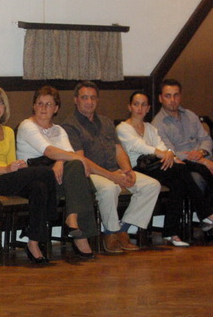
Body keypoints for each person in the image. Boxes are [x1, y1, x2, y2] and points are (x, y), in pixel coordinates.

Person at [117, 91, 213, 246]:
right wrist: (166, 154)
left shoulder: (150, 128)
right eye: (136, 104)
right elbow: (140, 146)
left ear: (148, 108)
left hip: (156, 166)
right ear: (129, 107)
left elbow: (162, 146)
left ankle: (170, 232)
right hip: (138, 169)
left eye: (144, 105)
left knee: (179, 181)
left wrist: (172, 156)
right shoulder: (123, 128)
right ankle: (207, 213)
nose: (140, 108)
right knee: (182, 170)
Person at [62, 81, 161, 254]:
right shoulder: (70, 125)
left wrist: (127, 170)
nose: (89, 102)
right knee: (109, 188)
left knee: (152, 185)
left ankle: (123, 229)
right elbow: (81, 160)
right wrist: (111, 176)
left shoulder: (106, 122)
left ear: (97, 100)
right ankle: (110, 233)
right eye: (84, 98)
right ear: (76, 100)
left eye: (93, 98)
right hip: (90, 174)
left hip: (114, 170)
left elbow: (118, 150)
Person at [152, 79, 213, 240]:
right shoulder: (157, 124)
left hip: (206, 159)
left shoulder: (190, 115)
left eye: (176, 95)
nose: (173, 100)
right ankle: (208, 222)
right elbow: (171, 152)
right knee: (198, 180)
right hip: (186, 167)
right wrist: (202, 161)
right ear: (160, 98)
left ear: (180, 96)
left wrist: (201, 152)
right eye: (168, 96)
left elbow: (207, 140)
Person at [0, 86, 58, 263]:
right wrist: (5, 169)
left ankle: (33, 242)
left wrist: (16, 166)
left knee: (39, 187)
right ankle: (50, 220)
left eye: (1, 103)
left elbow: (11, 163)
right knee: (47, 172)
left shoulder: (8, 132)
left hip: (8, 179)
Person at [15, 85, 97, 258]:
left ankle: (73, 218)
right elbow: (48, 150)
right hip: (37, 180)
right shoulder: (27, 126)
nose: (43, 108)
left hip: (60, 179)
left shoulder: (59, 130)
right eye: (40, 103)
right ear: (34, 106)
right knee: (79, 174)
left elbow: (69, 154)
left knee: (76, 167)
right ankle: (80, 234)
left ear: (56, 108)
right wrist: (72, 159)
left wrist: (60, 161)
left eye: (49, 104)